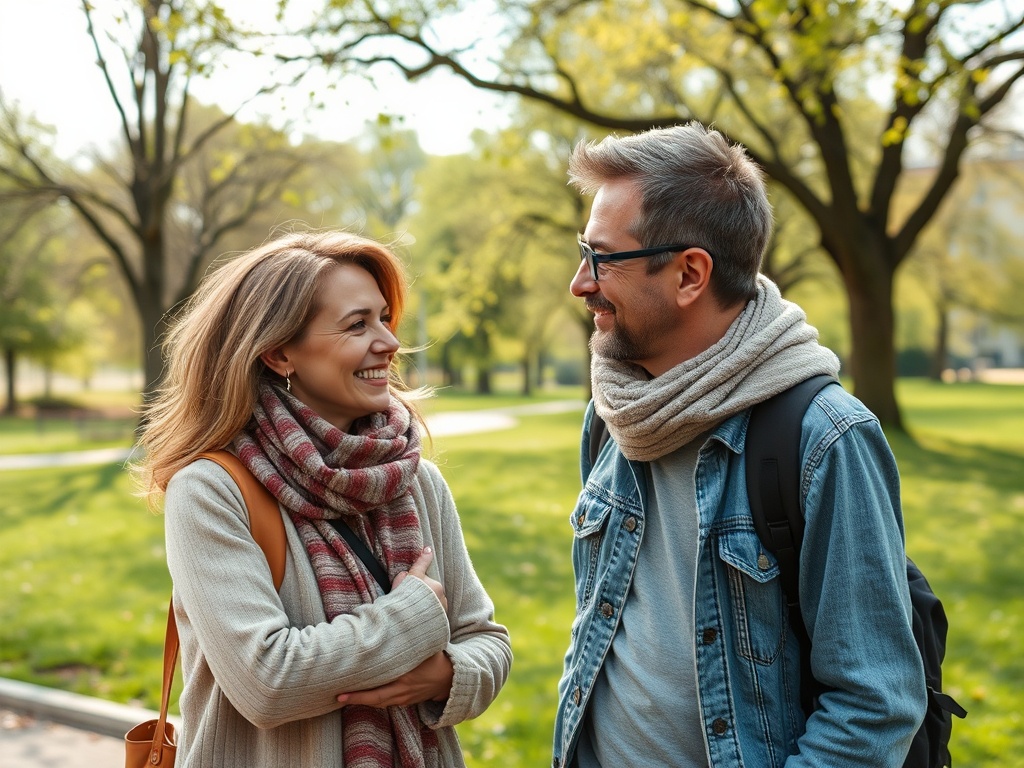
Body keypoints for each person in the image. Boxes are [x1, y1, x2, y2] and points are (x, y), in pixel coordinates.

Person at [551, 123, 926, 768]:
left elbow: (873, 707)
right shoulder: (613, 414)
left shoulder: (825, 440)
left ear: (690, 274)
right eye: (584, 252)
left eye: (603, 258)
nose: (580, 283)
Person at [135, 230, 511, 768]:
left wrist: (448, 674)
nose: (389, 342)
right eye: (358, 324)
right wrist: (412, 619)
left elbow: (486, 639)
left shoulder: (415, 480)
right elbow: (266, 683)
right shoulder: (212, 490)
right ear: (279, 353)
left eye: (385, 318)